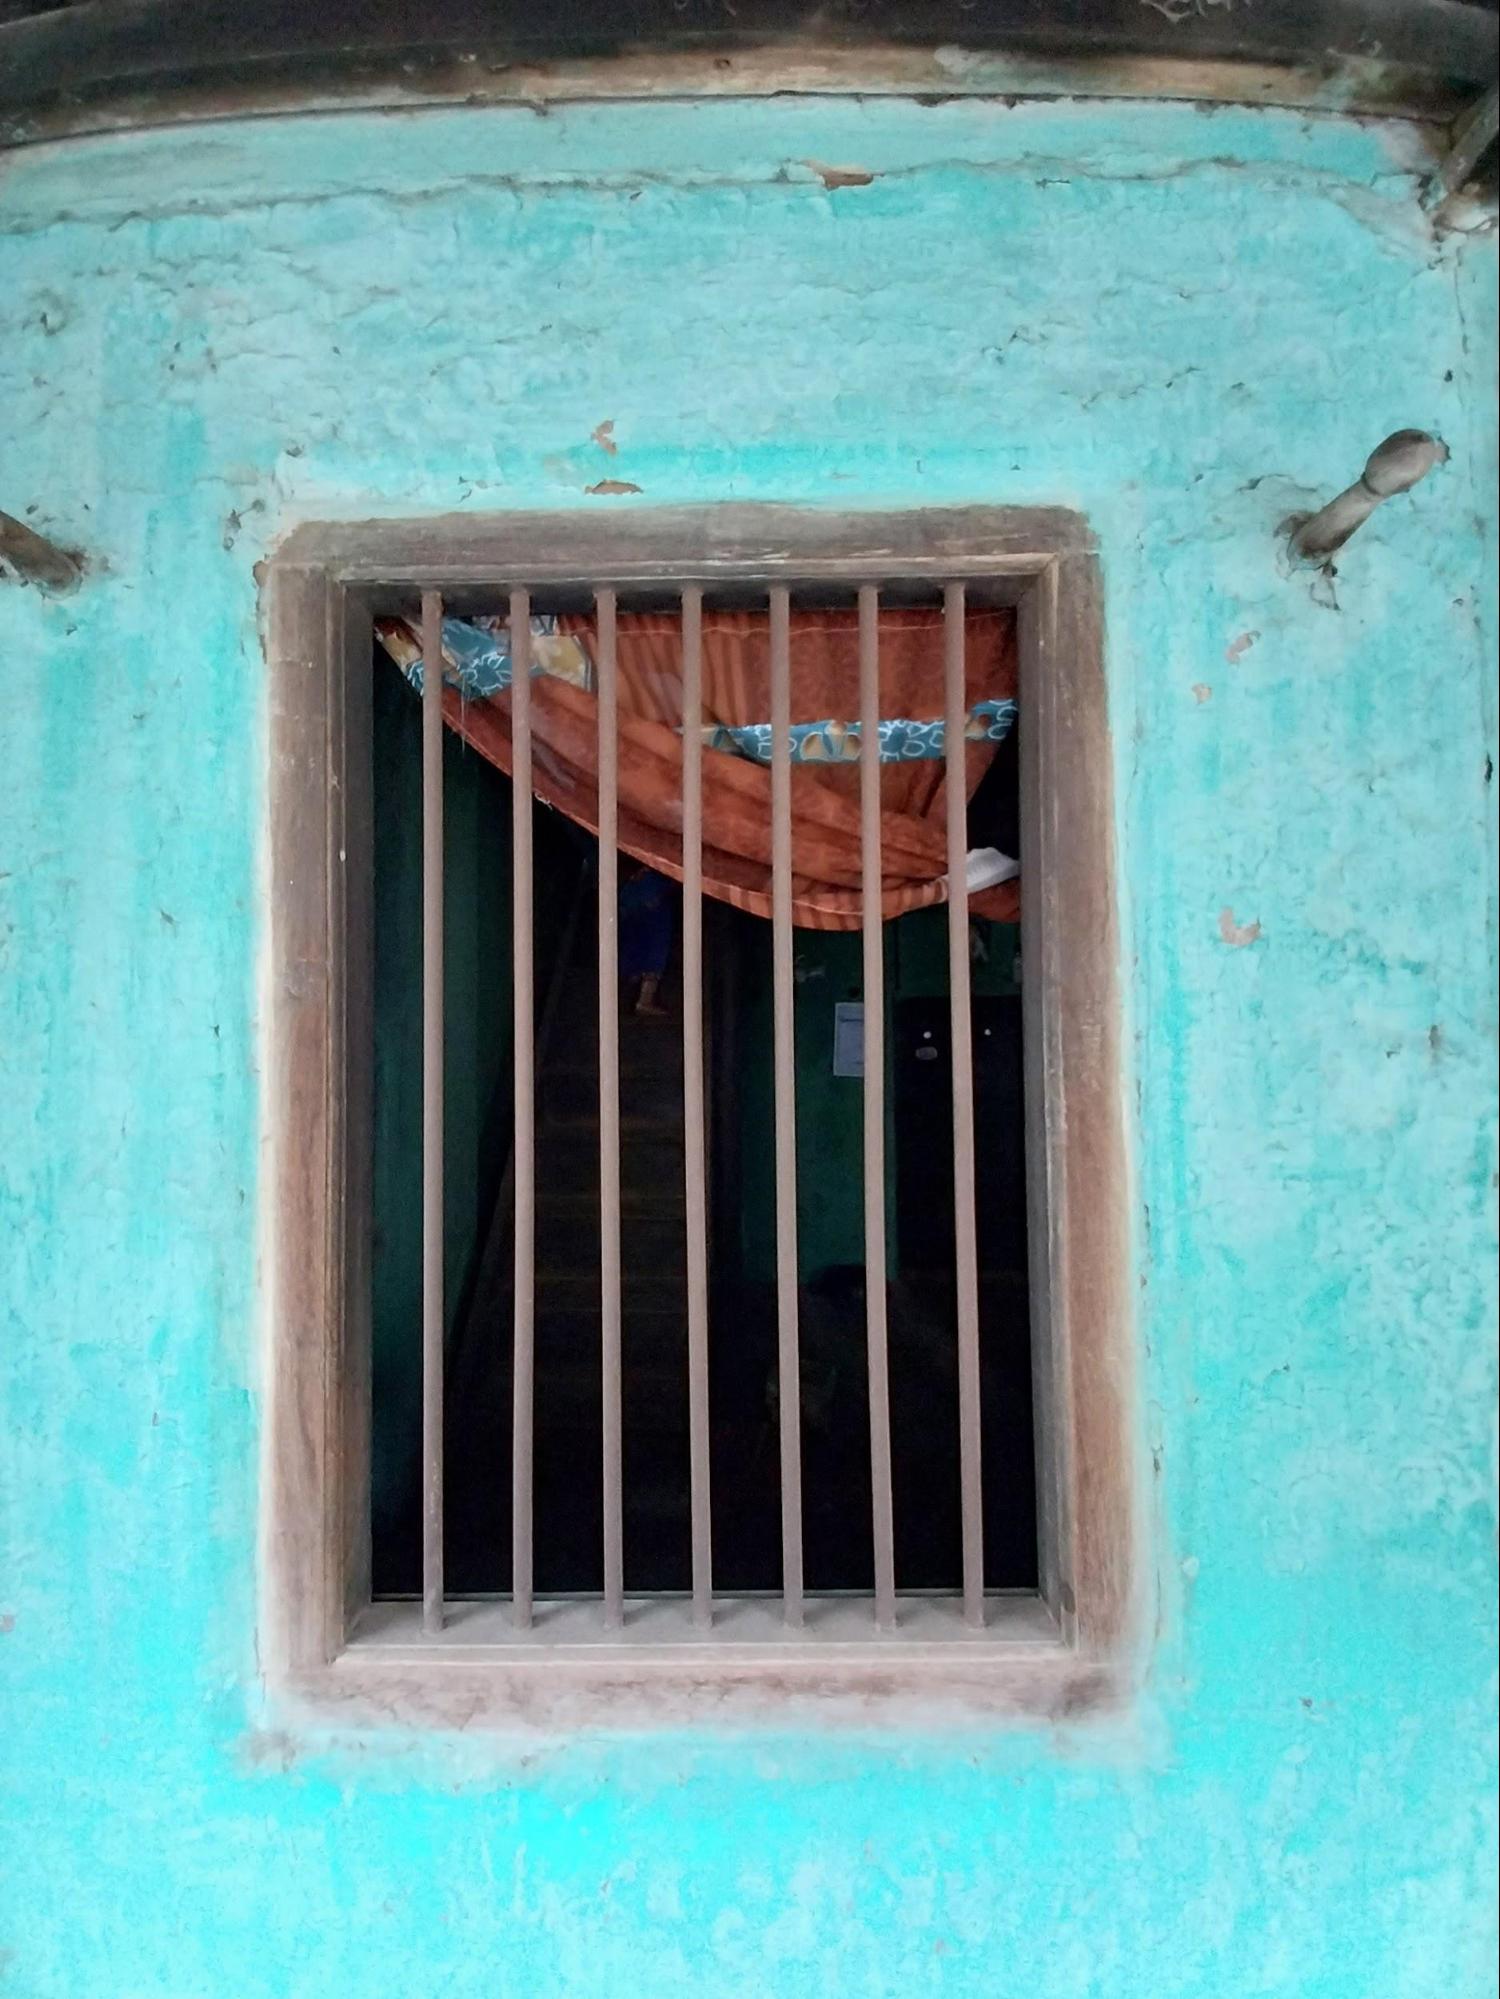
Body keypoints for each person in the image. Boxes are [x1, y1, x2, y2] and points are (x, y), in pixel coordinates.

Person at [617, 859, 674, 1016]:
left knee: (633, 940)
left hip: (632, 891)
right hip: (650, 887)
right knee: (655, 947)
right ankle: (644, 999)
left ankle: (630, 992)